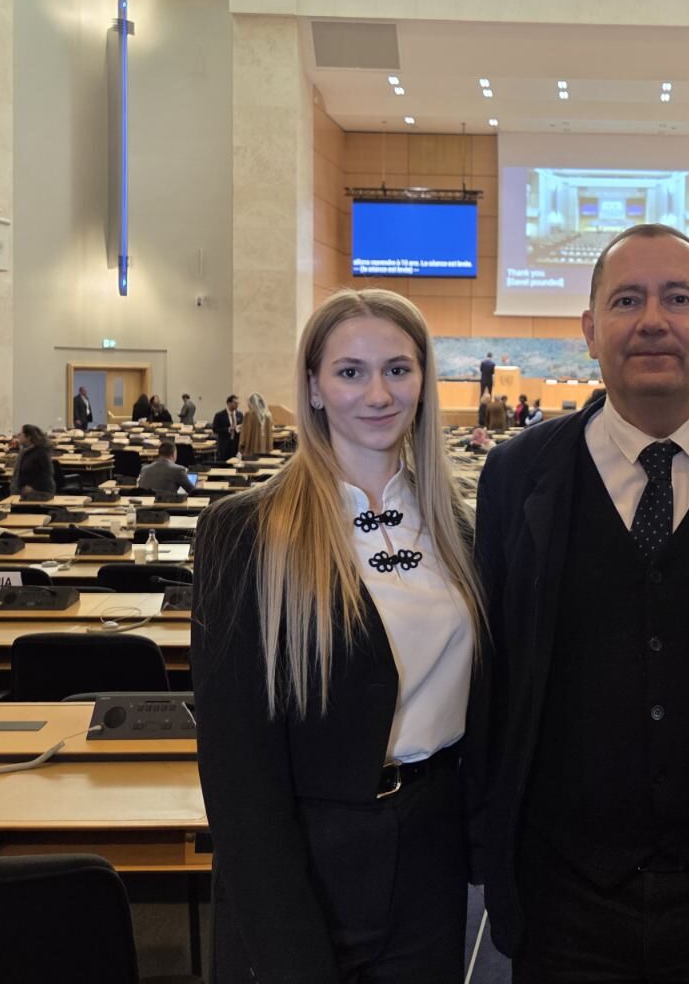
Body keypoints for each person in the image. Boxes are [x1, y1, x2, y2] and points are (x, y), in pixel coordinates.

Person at [471, 223, 689, 981]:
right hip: (562, 892)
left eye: (679, 298)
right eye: (626, 300)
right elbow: (495, 671)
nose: (653, 321)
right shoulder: (516, 473)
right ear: (589, 330)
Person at [192, 289, 485, 982]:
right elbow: (237, 769)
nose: (378, 394)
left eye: (398, 369)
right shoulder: (246, 531)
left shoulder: (464, 528)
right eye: (351, 372)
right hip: (303, 856)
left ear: (423, 381)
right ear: (316, 387)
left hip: (431, 848)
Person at [10, 425, 57, 497]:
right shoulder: (24, 451)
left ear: (29, 437)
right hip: (23, 490)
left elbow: (47, 473)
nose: (18, 435)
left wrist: (33, 486)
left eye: (21, 434)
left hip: (39, 491)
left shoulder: (41, 452)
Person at [240, 393, 274, 457]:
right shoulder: (268, 415)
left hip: (251, 448)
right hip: (265, 447)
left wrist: (242, 444)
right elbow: (271, 432)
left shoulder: (248, 414)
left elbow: (244, 432)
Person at [212, 395, 242, 461]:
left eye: (238, 403)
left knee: (235, 463)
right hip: (224, 444)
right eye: (235, 403)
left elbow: (242, 426)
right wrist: (228, 429)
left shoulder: (239, 414)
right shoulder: (219, 415)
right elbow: (215, 429)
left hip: (235, 444)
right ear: (229, 403)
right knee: (224, 463)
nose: (237, 405)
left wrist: (239, 428)